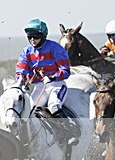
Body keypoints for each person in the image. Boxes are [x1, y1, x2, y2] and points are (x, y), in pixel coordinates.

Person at [15, 18, 79, 147]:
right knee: (30, 109)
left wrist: (52, 78)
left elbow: (66, 71)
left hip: (57, 85)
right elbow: (21, 70)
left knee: (54, 106)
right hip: (40, 87)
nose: (33, 39)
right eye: (30, 36)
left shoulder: (55, 48)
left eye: (36, 36)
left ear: (43, 36)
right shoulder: (26, 52)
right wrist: (21, 81)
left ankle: (70, 132)